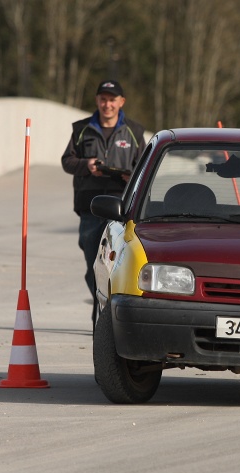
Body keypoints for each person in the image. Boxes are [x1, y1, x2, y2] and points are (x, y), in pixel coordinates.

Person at [61, 80, 146, 325]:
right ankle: (101, 310)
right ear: (97, 100)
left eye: (112, 100)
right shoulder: (81, 129)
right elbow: (67, 161)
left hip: (121, 208)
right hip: (90, 208)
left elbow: (144, 167)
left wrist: (131, 176)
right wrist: (86, 165)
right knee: (93, 266)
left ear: (121, 102)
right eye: (103, 99)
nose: (107, 104)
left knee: (118, 264)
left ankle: (108, 317)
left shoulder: (135, 131)